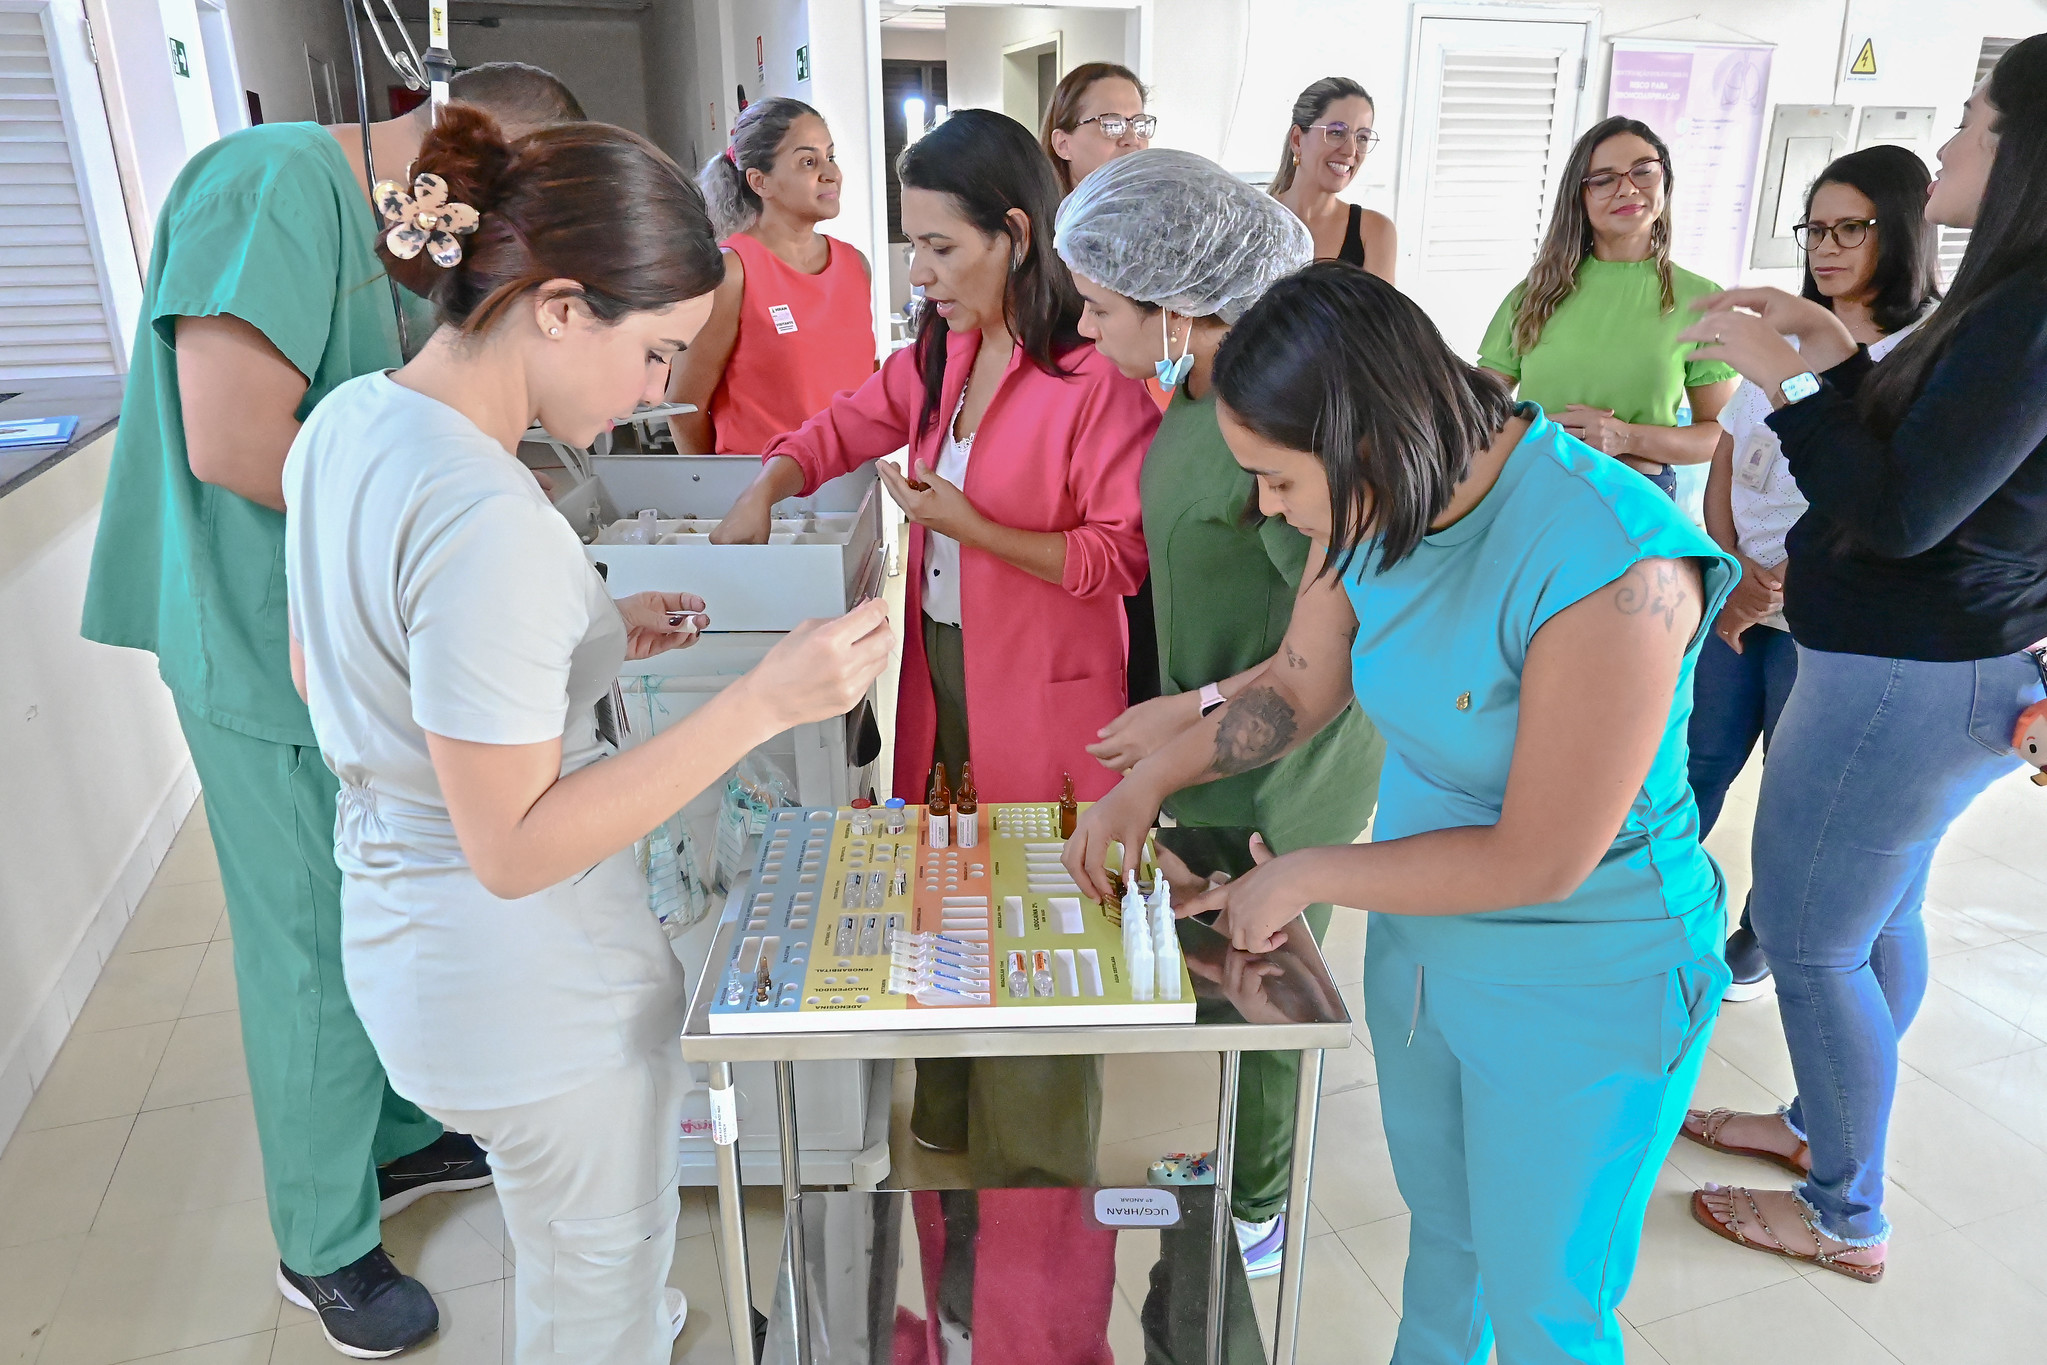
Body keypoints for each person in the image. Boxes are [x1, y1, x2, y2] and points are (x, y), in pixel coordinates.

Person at [283, 106, 893, 1363]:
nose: (655, 394)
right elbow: (510, 845)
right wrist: (762, 701)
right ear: (561, 306)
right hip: (519, 978)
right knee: (594, 1287)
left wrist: (589, 637)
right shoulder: (487, 512)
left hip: (406, 940)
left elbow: (340, 663)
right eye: (657, 352)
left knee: (559, 1231)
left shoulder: (353, 420)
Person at [1066, 263, 1735, 1365]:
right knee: (1447, 1257)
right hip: (1431, 944)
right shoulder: (1379, 502)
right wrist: (1147, 784)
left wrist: (1310, 871)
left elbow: (1541, 856)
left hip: (1591, 975)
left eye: (1278, 482)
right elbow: (1295, 681)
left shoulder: (1615, 562)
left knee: (1545, 1308)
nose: (1269, 511)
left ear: (1362, 439)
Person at [78, 64, 584, 1358]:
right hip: (255, 643)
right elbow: (236, 435)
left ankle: (396, 1141)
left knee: (371, 899)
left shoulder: (392, 238)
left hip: (336, 639)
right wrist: (454, 511)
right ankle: (321, 1244)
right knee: (308, 938)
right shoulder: (275, 186)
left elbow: (385, 410)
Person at [715, 108, 1159, 1188]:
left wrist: (970, 528)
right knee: (946, 880)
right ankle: (949, 1112)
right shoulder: (945, 351)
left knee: (1042, 914)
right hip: (944, 675)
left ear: (1016, 233)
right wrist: (770, 482)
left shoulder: (1094, 376)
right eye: (913, 244)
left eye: (942, 247)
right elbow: (847, 423)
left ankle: (1036, 1167)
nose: (922, 271)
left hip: (1048, 692)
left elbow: (1119, 560)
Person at [1677, 32, 2047, 1283]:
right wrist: (1833, 359)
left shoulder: (2027, 308)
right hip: (1923, 668)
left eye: (1972, 119)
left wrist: (1788, 389)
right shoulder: (2007, 306)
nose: (1948, 139)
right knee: (1873, 911)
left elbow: (1894, 515)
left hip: (1908, 672)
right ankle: (1817, 1126)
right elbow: (1933, 470)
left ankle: (1845, 1212)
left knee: (1807, 933)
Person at [1053, 148, 1385, 1279]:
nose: (1087, 332)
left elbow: (1324, 657)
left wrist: (1186, 717)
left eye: (1100, 307)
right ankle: (1236, 1149)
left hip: (1284, 758)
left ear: (1178, 304)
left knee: (1274, 978)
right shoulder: (1195, 397)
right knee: (1213, 955)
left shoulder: (1278, 422)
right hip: (1201, 740)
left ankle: (1259, 1203)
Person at [1685, 144, 1939, 1003]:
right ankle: (1655, 919)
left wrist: (1782, 583)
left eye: (1850, 228)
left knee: (1797, 802)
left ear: (1900, 231)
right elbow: (1727, 458)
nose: (1826, 246)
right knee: (1696, 761)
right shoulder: (1786, 330)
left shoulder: (1920, 352)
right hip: (1736, 598)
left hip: (1828, 622)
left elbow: (1872, 495)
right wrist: (1730, 570)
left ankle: (1759, 935)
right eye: (1814, 228)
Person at [1478, 116, 1738, 498]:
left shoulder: (1703, 302)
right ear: (1579, 196)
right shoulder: (1532, 295)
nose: (1628, 189)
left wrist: (1626, 438)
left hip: (1638, 496)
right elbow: (1477, 412)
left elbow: (1720, 436)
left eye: (1643, 172)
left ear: (1664, 179)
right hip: (1533, 490)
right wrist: (1536, 431)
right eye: (1604, 179)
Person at [665, 97, 876, 454]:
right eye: (808, 161)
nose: (830, 172)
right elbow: (684, 408)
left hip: (851, 486)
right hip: (765, 498)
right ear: (760, 181)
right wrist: (723, 496)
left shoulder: (855, 265)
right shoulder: (732, 272)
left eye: (831, 156)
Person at [1267, 77, 1396, 282]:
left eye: (1362, 137)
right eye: (1336, 133)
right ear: (1297, 139)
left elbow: (1384, 315)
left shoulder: (1375, 232)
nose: (1351, 151)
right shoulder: (1252, 221)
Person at [1040, 62, 1154, 196]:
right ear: (1062, 145)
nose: (1132, 139)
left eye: (1139, 124)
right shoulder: (1034, 215)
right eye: (1112, 125)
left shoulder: (1165, 210)